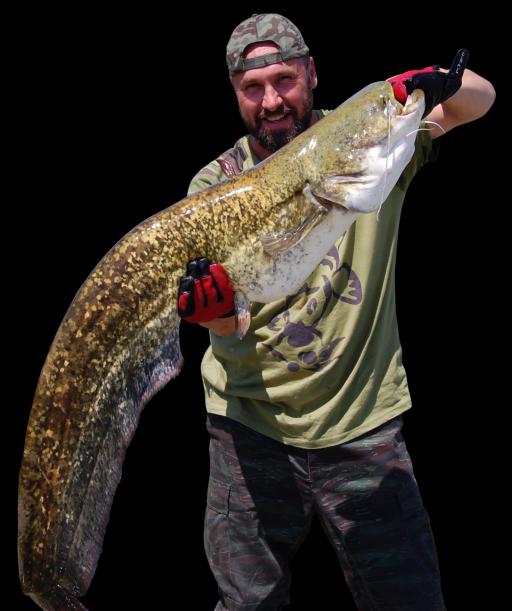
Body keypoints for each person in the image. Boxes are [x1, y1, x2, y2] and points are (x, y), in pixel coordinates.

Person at [177, 13, 495, 611]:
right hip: (250, 427)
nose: (272, 101)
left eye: (284, 80)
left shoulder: (372, 135)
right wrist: (211, 314)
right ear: (235, 94)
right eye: (253, 88)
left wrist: (432, 84)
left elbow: (479, 101)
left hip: (364, 422)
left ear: (312, 73)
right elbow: (229, 323)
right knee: (246, 604)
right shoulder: (215, 185)